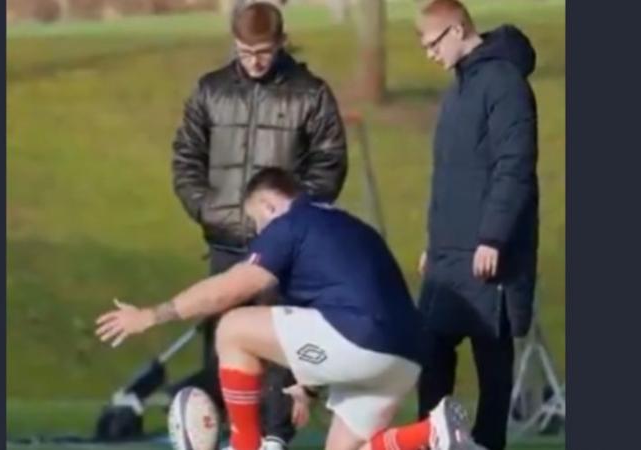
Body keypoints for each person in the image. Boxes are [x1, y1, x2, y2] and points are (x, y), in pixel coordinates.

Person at [96, 168, 484, 450]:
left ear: (268, 203)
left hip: (360, 341)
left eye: (256, 221)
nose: (259, 233)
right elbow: (340, 307)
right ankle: (431, 433)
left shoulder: (291, 224)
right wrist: (303, 387)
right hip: (404, 357)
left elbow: (230, 288)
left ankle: (244, 445)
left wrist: (152, 315)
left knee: (232, 328)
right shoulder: (349, 227)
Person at [170, 3, 347, 449]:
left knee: (280, 345)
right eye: (246, 51)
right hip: (226, 244)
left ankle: (275, 437)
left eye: (264, 51)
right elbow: (186, 158)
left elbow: (330, 165)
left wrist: (290, 219)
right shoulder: (210, 91)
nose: (255, 60)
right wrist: (209, 211)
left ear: (282, 43)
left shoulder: (311, 94)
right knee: (224, 348)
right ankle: (235, 434)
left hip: (285, 250)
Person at [414, 1, 540, 449]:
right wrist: (434, 243)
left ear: (456, 29)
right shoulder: (458, 91)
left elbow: (515, 165)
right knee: (430, 358)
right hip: (448, 258)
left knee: (493, 369)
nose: (429, 54)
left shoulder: (504, 84)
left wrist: (493, 236)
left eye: (431, 43)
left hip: (491, 258)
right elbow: (447, 175)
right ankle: (432, 441)